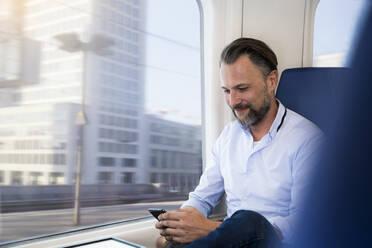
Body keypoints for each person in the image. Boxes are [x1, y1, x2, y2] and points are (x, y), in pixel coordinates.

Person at [155, 37, 324, 248]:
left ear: (271, 81)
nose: (233, 101)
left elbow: (303, 223)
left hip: (278, 244)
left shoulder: (308, 140)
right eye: (227, 91)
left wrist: (209, 229)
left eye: (242, 89)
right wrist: (179, 223)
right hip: (229, 243)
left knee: (249, 221)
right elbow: (202, 197)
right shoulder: (228, 136)